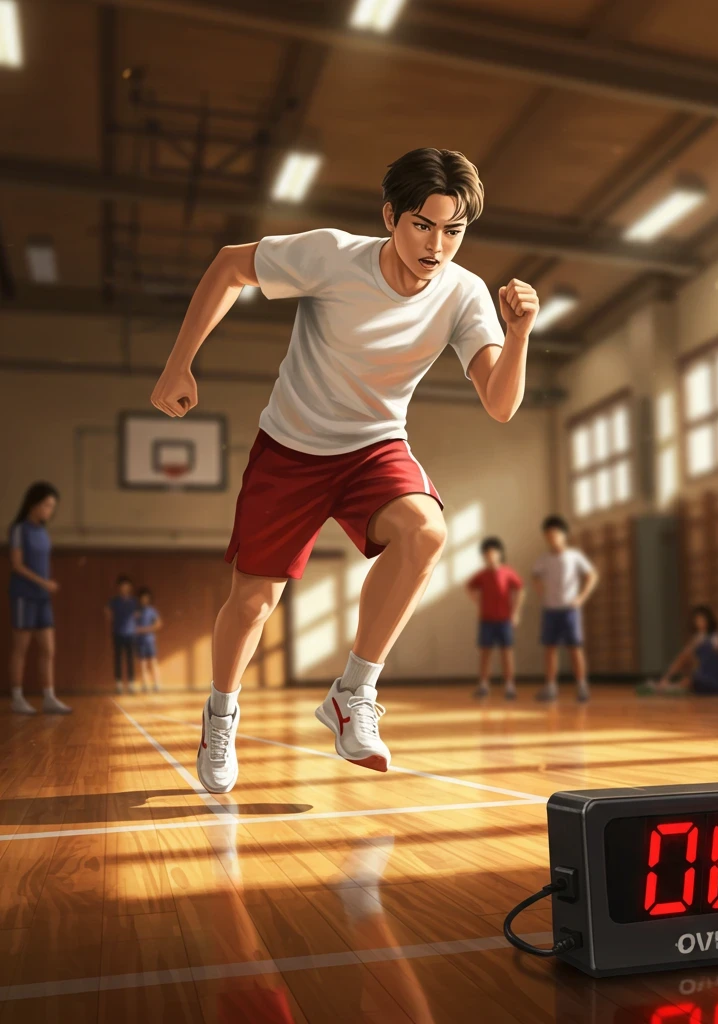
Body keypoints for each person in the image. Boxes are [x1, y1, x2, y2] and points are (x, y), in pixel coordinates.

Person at [150, 148, 539, 794]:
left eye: (453, 231)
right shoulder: (332, 256)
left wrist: (520, 332)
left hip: (373, 446)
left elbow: (499, 404)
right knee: (252, 603)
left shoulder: (464, 294)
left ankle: (352, 693)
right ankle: (220, 714)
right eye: (422, 225)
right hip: (291, 447)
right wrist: (179, 362)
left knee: (427, 531)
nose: (436, 245)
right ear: (391, 217)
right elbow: (228, 267)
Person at [7, 482, 71, 715]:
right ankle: (17, 697)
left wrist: (45, 587)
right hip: (24, 595)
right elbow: (16, 565)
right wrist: (44, 583)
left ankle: (49, 697)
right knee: (20, 648)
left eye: (52, 506)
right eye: (46, 504)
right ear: (34, 503)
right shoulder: (18, 529)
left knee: (48, 648)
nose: (49, 510)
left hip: (43, 599)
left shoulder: (43, 532)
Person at [531, 515, 599, 703]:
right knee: (550, 649)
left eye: (555, 534)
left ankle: (582, 686)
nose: (552, 538)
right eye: (548, 535)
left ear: (563, 535)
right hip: (550, 609)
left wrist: (581, 597)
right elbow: (535, 576)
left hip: (570, 609)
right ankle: (551, 687)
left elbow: (591, 575)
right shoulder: (543, 559)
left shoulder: (574, 556)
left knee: (575, 648)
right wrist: (541, 593)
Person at [467, 537, 524, 700]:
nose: (490, 557)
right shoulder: (483, 575)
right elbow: (470, 587)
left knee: (507, 653)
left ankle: (509, 686)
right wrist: (478, 603)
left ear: (499, 554)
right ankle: (483, 685)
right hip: (487, 620)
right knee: (486, 653)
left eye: (493, 553)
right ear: (484, 556)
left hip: (504, 620)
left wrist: (516, 612)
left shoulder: (508, 572)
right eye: (487, 554)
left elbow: (520, 589)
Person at [638, 605, 718, 696]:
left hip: (713, 682)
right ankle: (667, 685)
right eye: (697, 620)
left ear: (709, 620)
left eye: (702, 619)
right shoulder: (698, 638)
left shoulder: (715, 639)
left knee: (688, 680)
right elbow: (683, 658)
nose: (699, 622)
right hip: (704, 680)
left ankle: (663, 687)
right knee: (687, 678)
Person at [106, 575, 138, 695]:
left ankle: (131, 684)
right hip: (118, 633)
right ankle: (118, 684)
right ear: (119, 587)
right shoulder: (115, 601)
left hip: (130, 634)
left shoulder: (134, 601)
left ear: (129, 587)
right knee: (118, 659)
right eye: (122, 586)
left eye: (126, 586)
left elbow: (137, 615)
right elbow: (107, 612)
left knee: (130, 659)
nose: (124, 588)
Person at [134, 587, 163, 694]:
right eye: (142, 598)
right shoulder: (137, 611)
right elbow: (133, 624)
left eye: (146, 598)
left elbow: (158, 624)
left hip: (149, 640)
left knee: (153, 662)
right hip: (140, 641)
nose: (144, 600)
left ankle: (157, 684)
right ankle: (145, 684)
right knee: (143, 663)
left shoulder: (152, 610)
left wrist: (145, 629)